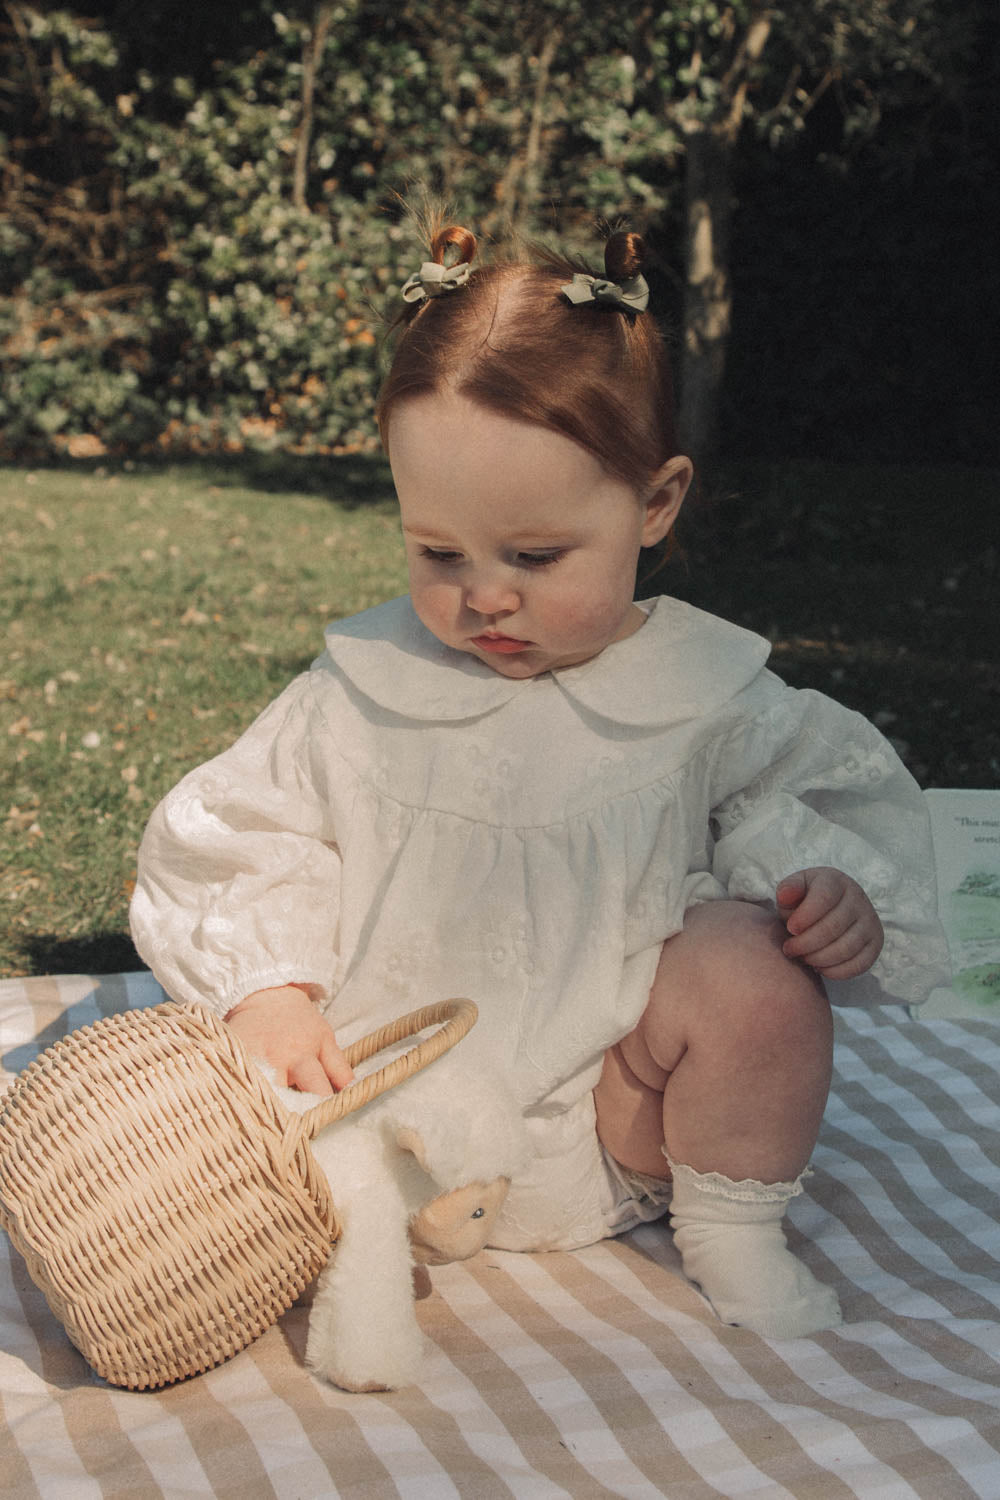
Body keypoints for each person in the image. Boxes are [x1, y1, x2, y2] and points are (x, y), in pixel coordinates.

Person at [131, 222, 949, 1340]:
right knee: (196, 1125)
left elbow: (813, 810)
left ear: (653, 505)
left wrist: (827, 895)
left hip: (626, 1118)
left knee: (756, 975)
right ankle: (348, 1206)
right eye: (439, 552)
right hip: (388, 1105)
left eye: (535, 556)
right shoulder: (361, 692)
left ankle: (731, 1226)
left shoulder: (705, 695)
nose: (484, 597)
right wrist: (270, 988)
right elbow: (249, 831)